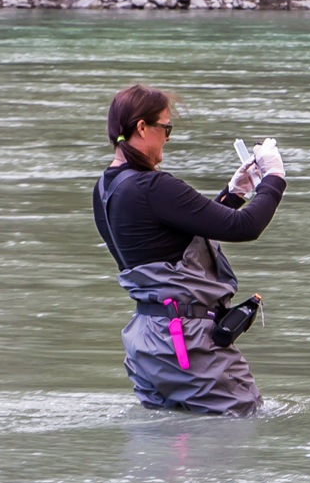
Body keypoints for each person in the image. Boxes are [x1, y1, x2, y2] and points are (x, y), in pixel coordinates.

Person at [92, 84, 287, 415]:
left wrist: (234, 192)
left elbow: (172, 243)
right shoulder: (153, 186)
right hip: (186, 343)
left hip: (147, 341)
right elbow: (245, 227)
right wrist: (275, 177)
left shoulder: (106, 189)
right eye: (166, 127)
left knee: (167, 451)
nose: (168, 137)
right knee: (242, 425)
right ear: (142, 127)